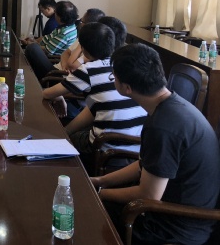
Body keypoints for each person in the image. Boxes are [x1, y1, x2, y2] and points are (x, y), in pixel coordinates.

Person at [91, 43, 220, 245]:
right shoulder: (172, 104)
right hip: (178, 212)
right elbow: (146, 165)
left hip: (174, 227)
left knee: (88, 214)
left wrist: (99, 194)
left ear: (126, 87)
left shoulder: (162, 126)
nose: (113, 80)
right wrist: (100, 181)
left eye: (113, 77)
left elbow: (149, 195)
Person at [43, 23, 147, 164]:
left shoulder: (88, 70)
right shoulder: (123, 65)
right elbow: (95, 109)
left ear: (83, 49)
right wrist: (65, 131)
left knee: (68, 142)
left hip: (105, 147)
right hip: (138, 148)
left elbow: (47, 94)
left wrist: (59, 95)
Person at [23, 0, 79, 80]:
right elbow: (47, 37)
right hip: (52, 59)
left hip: (54, 67)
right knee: (31, 48)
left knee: (31, 49)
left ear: (60, 17)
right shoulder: (67, 26)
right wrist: (34, 41)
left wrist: (30, 44)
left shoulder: (65, 33)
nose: (54, 14)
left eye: (55, 13)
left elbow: (47, 51)